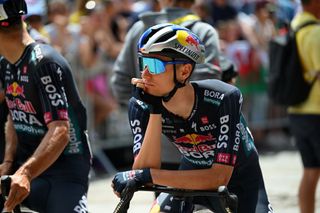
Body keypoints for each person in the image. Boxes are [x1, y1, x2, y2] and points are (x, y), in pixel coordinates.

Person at [112, 24, 273, 213]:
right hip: (189, 175)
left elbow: (219, 177)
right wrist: (155, 110)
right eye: (143, 64)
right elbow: (143, 173)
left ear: (184, 71)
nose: (145, 74)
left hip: (240, 180)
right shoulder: (140, 105)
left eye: (155, 65)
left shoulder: (224, 97)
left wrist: (146, 175)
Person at [0, 0, 92, 212]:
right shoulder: (5, 63)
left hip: (64, 174)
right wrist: (8, 161)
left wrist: (25, 173)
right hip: (27, 169)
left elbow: (60, 130)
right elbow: (14, 115)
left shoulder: (44, 62)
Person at [111, 0, 221, 170]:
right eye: (144, 64)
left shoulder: (139, 29)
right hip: (202, 147)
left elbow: (119, 82)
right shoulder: (203, 30)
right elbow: (209, 83)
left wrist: (145, 115)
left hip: (155, 147)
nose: (146, 72)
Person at [287, 0, 320, 212]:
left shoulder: (292, 26)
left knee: (310, 171)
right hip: (317, 111)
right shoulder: (315, 32)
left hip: (296, 111)